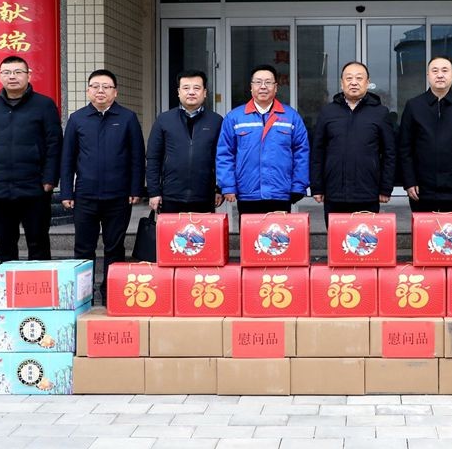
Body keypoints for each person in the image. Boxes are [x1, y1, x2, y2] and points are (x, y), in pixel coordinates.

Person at [60, 69, 144, 302]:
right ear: (88, 91)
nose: (100, 91)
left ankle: (111, 292)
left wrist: (136, 189)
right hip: (85, 195)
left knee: (114, 246)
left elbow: (137, 157)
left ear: (115, 92)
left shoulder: (127, 118)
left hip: (119, 196)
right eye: (95, 86)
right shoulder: (77, 119)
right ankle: (83, 293)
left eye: (106, 87)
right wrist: (66, 191)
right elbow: (67, 159)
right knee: (83, 247)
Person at [0, 56, 62, 262]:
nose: (12, 77)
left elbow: (55, 145)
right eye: (7, 72)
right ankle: (6, 283)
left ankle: (38, 282)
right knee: (4, 245)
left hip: (35, 186)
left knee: (38, 243)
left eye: (18, 72)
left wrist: (50, 178)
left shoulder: (44, 105)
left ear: (29, 75)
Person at [216, 64, 310, 214]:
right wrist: (228, 185)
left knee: (278, 229)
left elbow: (301, 153)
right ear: (251, 87)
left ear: (276, 87)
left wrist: (298, 186)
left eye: (268, 82)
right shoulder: (235, 117)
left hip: (280, 192)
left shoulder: (291, 117)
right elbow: (225, 154)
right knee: (249, 230)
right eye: (258, 82)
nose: (263, 86)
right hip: (247, 192)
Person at [311, 61, 396, 221]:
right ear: (341, 83)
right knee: (336, 236)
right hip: (334, 192)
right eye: (349, 78)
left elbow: (389, 153)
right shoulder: (328, 112)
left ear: (367, 82)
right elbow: (317, 152)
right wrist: (317, 187)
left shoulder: (380, 113)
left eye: (359, 78)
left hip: (367, 192)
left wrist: (386, 188)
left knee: (365, 235)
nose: (354, 82)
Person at [398, 56, 452, 213]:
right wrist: (409, 181)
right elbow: (405, 148)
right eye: (435, 71)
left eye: (445, 70)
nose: (440, 75)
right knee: (423, 228)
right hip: (421, 189)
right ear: (428, 75)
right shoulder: (414, 106)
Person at [147, 69, 223, 214]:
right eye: (186, 88)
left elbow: (221, 158)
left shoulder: (216, 121)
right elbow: (153, 158)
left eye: (196, 88)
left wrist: (220, 189)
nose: (191, 92)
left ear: (205, 92)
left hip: (205, 196)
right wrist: (153, 191)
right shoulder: (164, 120)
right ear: (178, 92)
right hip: (170, 195)